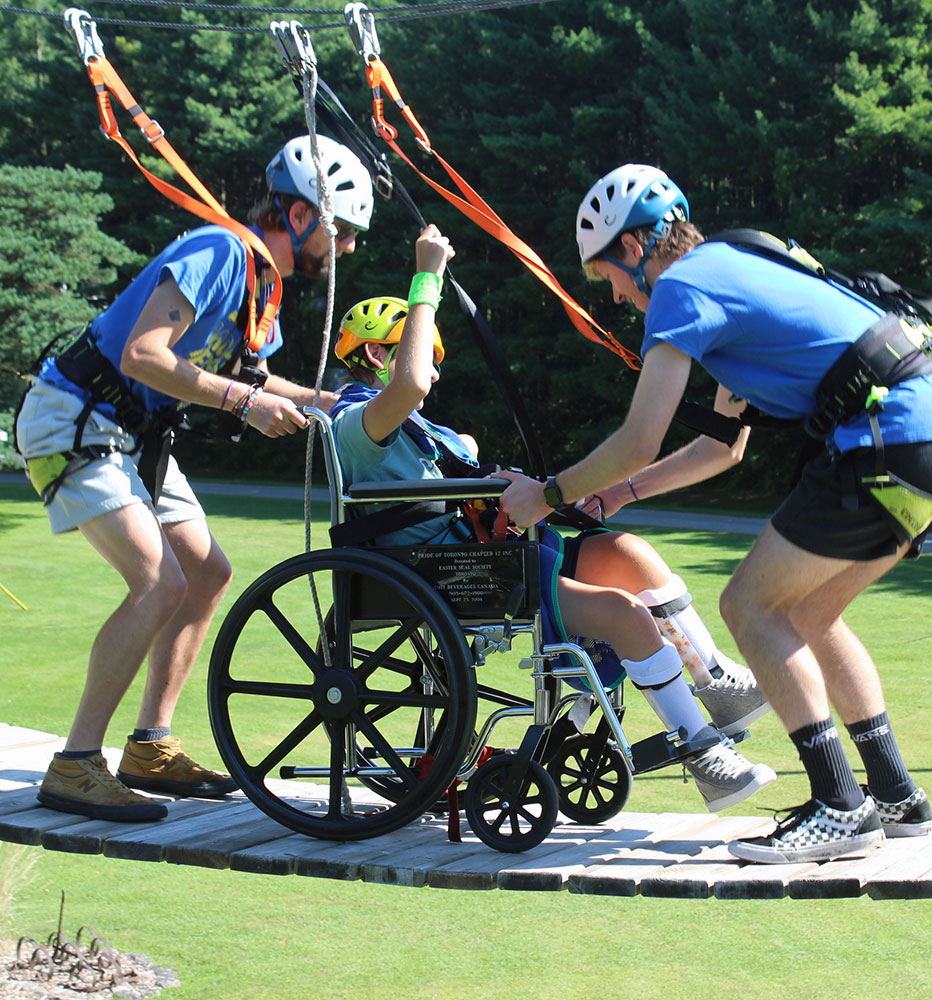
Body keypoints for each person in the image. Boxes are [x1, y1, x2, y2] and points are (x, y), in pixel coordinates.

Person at [495, 163, 932, 862]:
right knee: (810, 613)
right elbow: (722, 447)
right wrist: (621, 493)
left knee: (749, 607)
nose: (616, 296)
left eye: (608, 276)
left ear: (634, 248)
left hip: (890, 435)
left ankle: (840, 807)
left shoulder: (680, 289)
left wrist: (546, 494)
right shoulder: (737, 265)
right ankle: (895, 795)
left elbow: (640, 438)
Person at [327, 234, 777, 815]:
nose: (434, 375)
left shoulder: (409, 431)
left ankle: (714, 681)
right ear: (374, 355)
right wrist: (428, 276)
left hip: (485, 555)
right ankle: (701, 749)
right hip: (452, 573)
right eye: (425, 357)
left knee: (627, 553)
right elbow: (409, 383)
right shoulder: (359, 425)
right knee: (625, 615)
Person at [15, 135, 374, 823]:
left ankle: (149, 747)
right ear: (301, 215)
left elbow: (253, 378)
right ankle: (75, 764)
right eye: (345, 231)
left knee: (206, 573)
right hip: (78, 417)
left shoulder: (261, 289)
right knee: (159, 583)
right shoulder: (219, 252)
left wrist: (339, 403)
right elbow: (143, 355)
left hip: (134, 435)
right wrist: (242, 404)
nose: (349, 249)